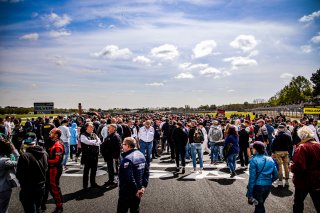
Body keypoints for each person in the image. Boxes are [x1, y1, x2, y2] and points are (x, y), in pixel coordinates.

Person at [291, 126, 320, 213]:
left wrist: (291, 167)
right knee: (318, 202)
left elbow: (299, 167)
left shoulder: (302, 147)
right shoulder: (318, 145)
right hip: (318, 179)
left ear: (301, 136)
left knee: (298, 203)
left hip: (303, 181)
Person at [16, 132, 48, 213]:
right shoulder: (44, 153)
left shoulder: (24, 156)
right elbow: (46, 168)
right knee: (38, 208)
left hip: (28, 188)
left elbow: (19, 174)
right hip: (41, 186)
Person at [117, 137, 149, 213]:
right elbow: (146, 172)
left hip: (127, 191)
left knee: (122, 210)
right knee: (135, 209)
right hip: (139, 189)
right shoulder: (141, 154)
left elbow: (129, 178)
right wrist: (143, 187)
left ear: (128, 146)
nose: (122, 146)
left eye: (123, 144)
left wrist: (136, 190)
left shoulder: (127, 159)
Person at [246, 141, 278, 213]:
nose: (252, 149)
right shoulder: (270, 159)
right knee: (260, 204)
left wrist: (250, 193)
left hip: (258, 187)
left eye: (253, 148)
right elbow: (276, 175)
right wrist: (269, 181)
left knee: (259, 206)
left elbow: (252, 178)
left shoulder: (253, 160)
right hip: (268, 186)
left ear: (256, 149)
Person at [42, 128, 65, 213]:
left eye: (51, 132)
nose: (49, 133)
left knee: (54, 187)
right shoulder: (50, 141)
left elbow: (57, 160)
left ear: (56, 135)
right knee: (45, 187)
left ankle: (59, 206)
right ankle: (42, 204)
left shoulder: (58, 145)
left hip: (54, 169)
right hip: (49, 168)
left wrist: (43, 161)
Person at [0, 136, 19, 213]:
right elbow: (20, 161)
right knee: (3, 209)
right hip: (3, 189)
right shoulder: (4, 161)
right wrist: (14, 150)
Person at [80, 123, 101, 190]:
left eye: (93, 127)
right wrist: (95, 142)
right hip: (87, 156)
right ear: (86, 128)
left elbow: (99, 142)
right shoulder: (83, 135)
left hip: (95, 155)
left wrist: (93, 142)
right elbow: (86, 142)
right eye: (91, 127)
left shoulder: (94, 134)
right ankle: (85, 186)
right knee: (86, 171)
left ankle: (93, 183)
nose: (92, 128)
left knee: (94, 170)